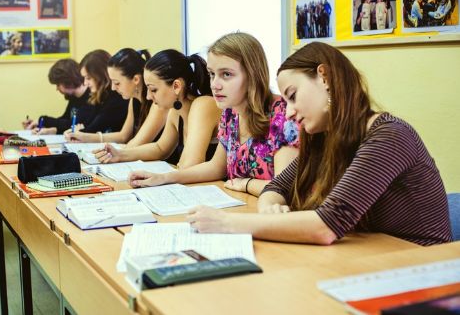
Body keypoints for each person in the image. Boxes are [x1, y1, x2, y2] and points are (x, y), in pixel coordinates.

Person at [186, 42, 452, 247]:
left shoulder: (390, 136)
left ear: (325, 78)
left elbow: (327, 225)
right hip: (366, 254)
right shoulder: (326, 137)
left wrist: (226, 222)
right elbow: (277, 186)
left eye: (293, 96)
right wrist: (269, 207)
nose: (288, 112)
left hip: (418, 264)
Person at [128, 33, 299, 196]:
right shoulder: (230, 114)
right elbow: (216, 167)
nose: (215, 85)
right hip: (245, 209)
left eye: (226, 74)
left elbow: (284, 188)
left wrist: (245, 184)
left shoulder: (283, 114)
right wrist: (164, 178)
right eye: (212, 74)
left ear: (252, 74)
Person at [93, 49, 221, 169]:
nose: (148, 96)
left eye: (153, 89)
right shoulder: (175, 112)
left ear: (176, 86)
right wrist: (119, 155)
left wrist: (159, 177)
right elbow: (160, 148)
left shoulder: (203, 105)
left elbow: (189, 165)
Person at [65, 48, 167, 147]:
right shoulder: (133, 99)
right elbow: (123, 136)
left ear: (136, 79)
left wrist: (115, 152)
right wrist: (84, 137)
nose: (113, 88)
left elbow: (136, 144)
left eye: (117, 83)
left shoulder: (156, 102)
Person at [67, 49, 129, 134]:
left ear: (101, 75)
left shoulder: (117, 97)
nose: (85, 83)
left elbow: (90, 130)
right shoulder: (101, 96)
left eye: (88, 78)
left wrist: (78, 132)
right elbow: (87, 125)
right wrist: (78, 131)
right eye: (84, 78)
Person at [22, 59, 90, 134]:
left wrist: (43, 120)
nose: (57, 89)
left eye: (58, 84)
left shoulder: (91, 98)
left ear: (68, 81)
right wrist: (41, 126)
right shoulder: (74, 97)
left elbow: (72, 124)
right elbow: (65, 120)